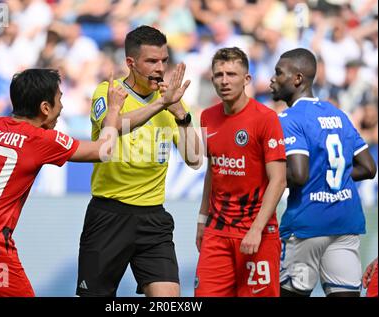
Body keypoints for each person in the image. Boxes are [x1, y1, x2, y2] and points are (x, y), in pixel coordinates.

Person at [0, 68, 127, 297]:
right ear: (45, 108)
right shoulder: (39, 139)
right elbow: (103, 150)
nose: (62, 106)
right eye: (59, 99)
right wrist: (113, 109)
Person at [76, 25, 202, 297]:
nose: (160, 68)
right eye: (152, 61)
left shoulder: (173, 101)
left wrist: (181, 115)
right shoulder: (110, 93)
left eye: (164, 61)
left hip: (153, 218)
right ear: (131, 63)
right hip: (109, 214)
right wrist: (161, 105)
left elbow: (195, 159)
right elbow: (114, 126)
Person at [270, 48, 377, 297]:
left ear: (297, 79)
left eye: (278, 73)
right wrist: (327, 177)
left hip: (308, 226)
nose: (272, 79)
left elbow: (297, 175)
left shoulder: (289, 118)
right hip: (345, 222)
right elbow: (369, 168)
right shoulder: (337, 114)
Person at [195, 47, 287, 297]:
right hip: (217, 230)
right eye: (219, 75)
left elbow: (278, 180)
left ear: (247, 79)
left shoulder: (266, 118)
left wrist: (256, 229)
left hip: (257, 232)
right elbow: (212, 172)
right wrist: (202, 220)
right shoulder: (207, 117)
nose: (224, 81)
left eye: (232, 74)